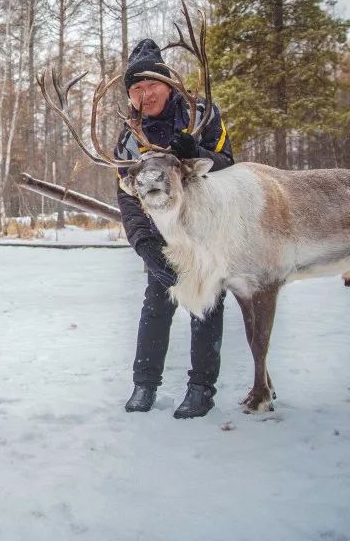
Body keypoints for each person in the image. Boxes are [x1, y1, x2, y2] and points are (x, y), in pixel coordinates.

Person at [115, 38, 235, 419]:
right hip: (162, 234)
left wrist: (197, 153)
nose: (144, 93)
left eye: (151, 84)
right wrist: (144, 244)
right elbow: (126, 194)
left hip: (209, 230)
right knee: (157, 304)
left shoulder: (202, 114)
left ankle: (201, 388)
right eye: (135, 88)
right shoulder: (128, 138)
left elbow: (229, 166)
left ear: (168, 84)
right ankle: (144, 384)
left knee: (207, 305)